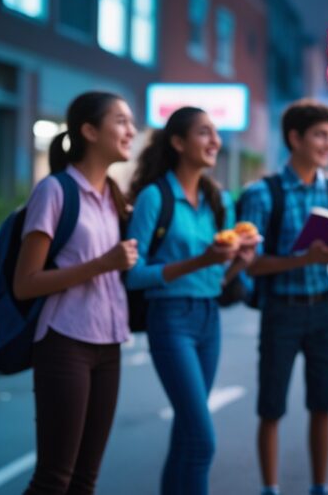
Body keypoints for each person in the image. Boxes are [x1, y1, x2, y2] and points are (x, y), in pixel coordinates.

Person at [125, 106, 258, 495]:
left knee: (186, 436)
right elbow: (133, 274)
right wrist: (201, 260)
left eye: (215, 133)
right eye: (204, 133)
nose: (215, 141)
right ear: (179, 142)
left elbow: (215, 280)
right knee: (202, 441)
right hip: (170, 320)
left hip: (208, 318)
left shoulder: (218, 200)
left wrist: (237, 264)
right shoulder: (155, 198)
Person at [13, 91, 139, 494]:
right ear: (88, 130)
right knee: (54, 478)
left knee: (85, 479)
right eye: (120, 121)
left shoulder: (113, 198)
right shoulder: (55, 191)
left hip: (109, 344)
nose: (130, 130)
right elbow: (26, 282)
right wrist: (101, 264)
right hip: (64, 342)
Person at [238, 100, 328, 495]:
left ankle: (320, 486)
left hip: (323, 306)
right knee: (272, 406)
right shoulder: (262, 194)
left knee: (323, 403)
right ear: (294, 138)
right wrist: (304, 258)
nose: (327, 144)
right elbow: (249, 265)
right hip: (281, 310)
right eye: (320, 135)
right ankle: (270, 488)